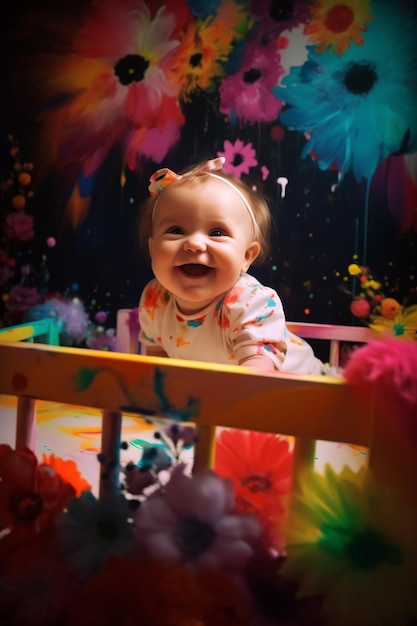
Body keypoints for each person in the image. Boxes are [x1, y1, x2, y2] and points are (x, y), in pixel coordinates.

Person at [137, 156, 323, 374]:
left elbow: (256, 382)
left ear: (246, 256)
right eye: (176, 230)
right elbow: (158, 361)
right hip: (219, 394)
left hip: (303, 389)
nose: (195, 244)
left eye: (217, 233)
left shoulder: (251, 303)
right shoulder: (154, 300)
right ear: (153, 249)